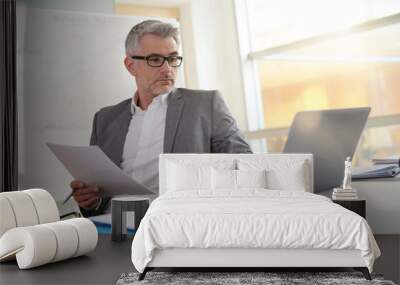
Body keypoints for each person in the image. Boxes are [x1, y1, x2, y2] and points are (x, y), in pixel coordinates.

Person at [70, 20, 252, 217]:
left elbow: (246, 167)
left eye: (173, 59)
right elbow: (95, 197)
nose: (167, 69)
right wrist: (90, 200)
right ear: (131, 66)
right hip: (111, 225)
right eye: (155, 60)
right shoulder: (105, 119)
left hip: (176, 223)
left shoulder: (206, 105)